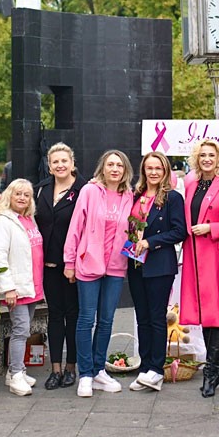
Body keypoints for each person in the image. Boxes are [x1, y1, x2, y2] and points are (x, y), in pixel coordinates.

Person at [64, 150, 136, 397]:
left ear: (125, 170)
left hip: (116, 266)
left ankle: (98, 371)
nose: (115, 169)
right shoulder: (89, 191)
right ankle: (85, 374)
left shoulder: (129, 196)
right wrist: (70, 261)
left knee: (106, 321)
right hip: (89, 264)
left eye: (119, 165)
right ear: (102, 168)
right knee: (86, 320)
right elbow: (76, 227)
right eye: (110, 164)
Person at [180, 139, 219, 397]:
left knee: (216, 314)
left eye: (212, 155)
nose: (207, 159)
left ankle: (211, 370)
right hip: (194, 255)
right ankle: (218, 368)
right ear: (197, 157)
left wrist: (213, 228)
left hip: (217, 256)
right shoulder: (190, 183)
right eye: (203, 155)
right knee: (204, 314)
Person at [126, 152, 186, 392]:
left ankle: (156, 369)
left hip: (159, 265)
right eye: (149, 168)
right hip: (135, 263)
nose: (153, 172)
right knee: (142, 318)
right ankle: (144, 368)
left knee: (156, 317)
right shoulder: (136, 195)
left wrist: (152, 242)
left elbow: (180, 231)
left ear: (165, 171)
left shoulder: (173, 198)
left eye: (158, 168)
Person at [34, 143, 81, 390]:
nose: (60, 165)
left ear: (72, 163)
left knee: (72, 316)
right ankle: (55, 369)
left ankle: (71, 367)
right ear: (49, 166)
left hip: (73, 266)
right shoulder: (41, 189)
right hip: (48, 264)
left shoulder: (83, 190)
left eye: (65, 161)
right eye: (55, 162)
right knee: (55, 315)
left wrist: (73, 263)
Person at [0, 178, 45, 396]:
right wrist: (8, 288)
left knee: (25, 328)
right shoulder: (3, 221)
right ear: (9, 196)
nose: (22, 198)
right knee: (21, 330)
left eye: (26, 194)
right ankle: (15, 376)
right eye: (18, 194)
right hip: (17, 288)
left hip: (32, 285)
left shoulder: (28, 219)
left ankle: (18, 371)